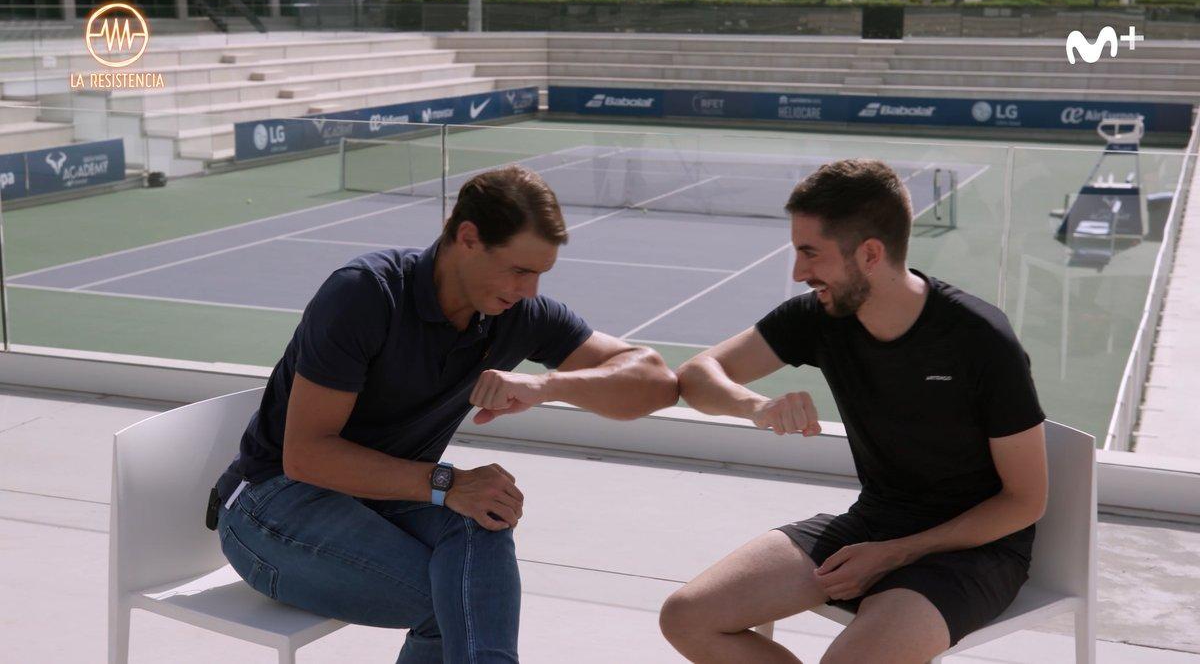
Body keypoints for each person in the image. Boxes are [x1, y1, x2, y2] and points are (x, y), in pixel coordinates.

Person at [211, 165, 678, 663]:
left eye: (540, 274)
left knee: (488, 514)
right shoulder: (366, 294)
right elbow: (307, 457)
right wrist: (448, 484)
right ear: (468, 238)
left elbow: (655, 382)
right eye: (520, 270)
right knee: (457, 601)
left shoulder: (515, 315)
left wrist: (546, 386)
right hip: (271, 507)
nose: (531, 290)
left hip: (382, 498)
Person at [658, 159, 1048, 664]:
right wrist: (756, 406)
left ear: (868, 254)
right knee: (687, 617)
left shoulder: (979, 339)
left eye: (810, 253)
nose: (798, 273)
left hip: (975, 551)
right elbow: (696, 375)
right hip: (872, 524)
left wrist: (898, 551)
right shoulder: (820, 318)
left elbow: (1025, 501)